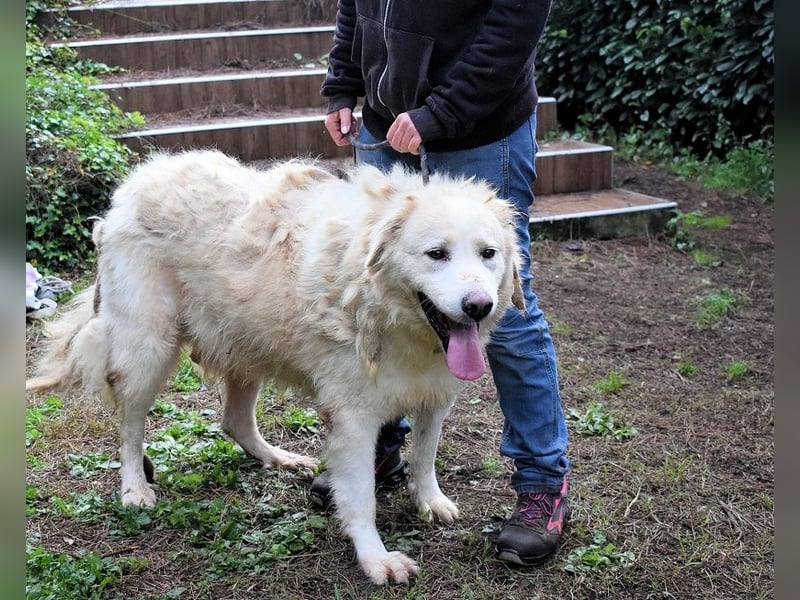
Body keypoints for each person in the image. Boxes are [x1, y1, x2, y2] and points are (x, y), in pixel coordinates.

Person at [313, 0, 571, 566]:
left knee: (506, 310)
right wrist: (342, 84)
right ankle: (379, 446)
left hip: (480, 129)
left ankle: (542, 486)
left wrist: (441, 112)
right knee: (377, 294)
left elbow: (515, 22)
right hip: (387, 125)